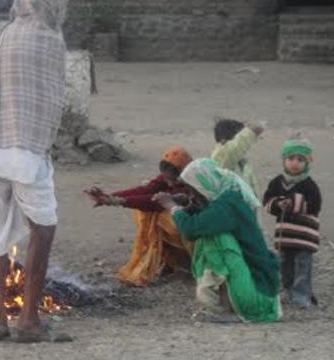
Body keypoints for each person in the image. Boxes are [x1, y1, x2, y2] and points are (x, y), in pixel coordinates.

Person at [0, 0, 71, 343]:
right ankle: (28, 319)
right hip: (26, 148)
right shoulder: (49, 38)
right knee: (43, 228)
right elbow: (53, 95)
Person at [154, 158, 281, 322]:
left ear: (204, 185)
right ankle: (226, 304)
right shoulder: (230, 199)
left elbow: (192, 229)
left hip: (255, 296)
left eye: (194, 191)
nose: (192, 196)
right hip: (260, 291)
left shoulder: (227, 205)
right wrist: (187, 202)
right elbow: (205, 213)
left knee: (215, 238)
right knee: (212, 233)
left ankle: (223, 307)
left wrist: (173, 207)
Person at [85, 147, 196, 286]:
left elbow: (154, 202)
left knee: (158, 216)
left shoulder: (191, 184)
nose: (168, 183)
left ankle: (189, 262)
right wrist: (110, 196)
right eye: (166, 179)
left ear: (182, 173)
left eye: (171, 180)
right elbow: (147, 190)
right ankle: (172, 260)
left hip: (196, 228)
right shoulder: (171, 176)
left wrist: (118, 201)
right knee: (144, 211)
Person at [263, 137, 322, 309]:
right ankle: (285, 290)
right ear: (284, 160)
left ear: (307, 162)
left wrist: (292, 202)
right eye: (290, 159)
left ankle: (302, 295)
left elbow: (314, 206)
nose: (295, 163)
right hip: (285, 235)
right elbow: (267, 201)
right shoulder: (276, 182)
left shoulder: (310, 185)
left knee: (303, 266)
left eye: (300, 159)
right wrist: (277, 204)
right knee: (284, 263)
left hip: (304, 236)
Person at [211, 118, 264, 195]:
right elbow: (236, 146)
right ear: (224, 140)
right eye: (238, 136)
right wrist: (250, 132)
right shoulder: (219, 156)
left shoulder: (242, 161)